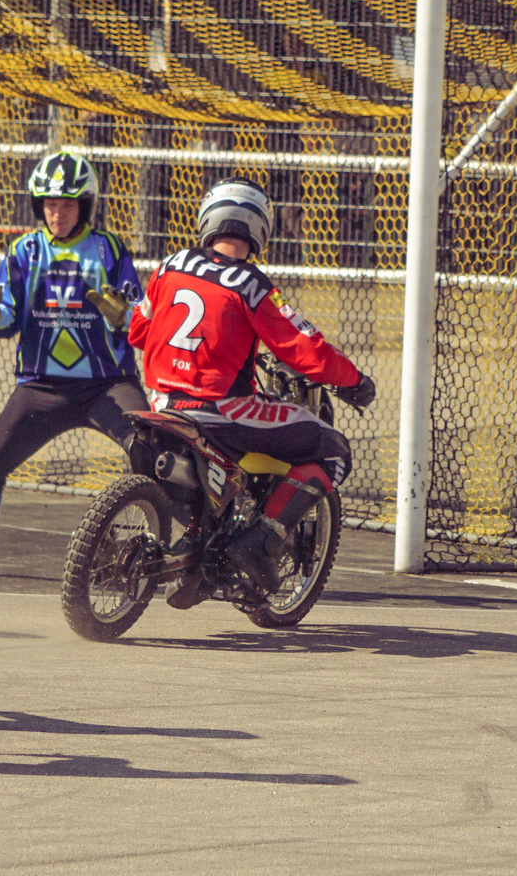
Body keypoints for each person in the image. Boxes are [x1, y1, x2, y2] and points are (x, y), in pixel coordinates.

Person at [118, 179, 375, 604]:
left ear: (207, 220)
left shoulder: (170, 265)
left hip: (162, 402)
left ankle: (204, 549)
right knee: (332, 448)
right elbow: (303, 349)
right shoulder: (251, 283)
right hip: (219, 410)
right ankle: (262, 540)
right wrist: (354, 381)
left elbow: (138, 331)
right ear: (259, 228)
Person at [0, 149, 146, 574]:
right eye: (49, 204)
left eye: (67, 204)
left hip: (108, 385)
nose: (57, 213)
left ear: (85, 206)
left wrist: (124, 314)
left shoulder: (109, 250)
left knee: (155, 453)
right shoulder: (23, 251)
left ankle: (155, 552)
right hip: (41, 388)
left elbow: (140, 314)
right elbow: (6, 323)